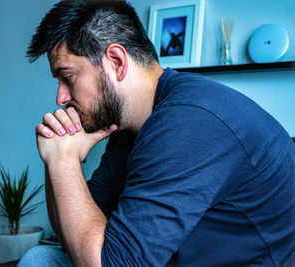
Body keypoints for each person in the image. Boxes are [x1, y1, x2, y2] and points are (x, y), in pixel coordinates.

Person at [18, 1, 295, 266]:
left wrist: (62, 160)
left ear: (116, 61)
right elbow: (73, 238)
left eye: (67, 77)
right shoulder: (128, 128)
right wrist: (57, 156)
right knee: (40, 258)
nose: (60, 98)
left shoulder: (189, 123)